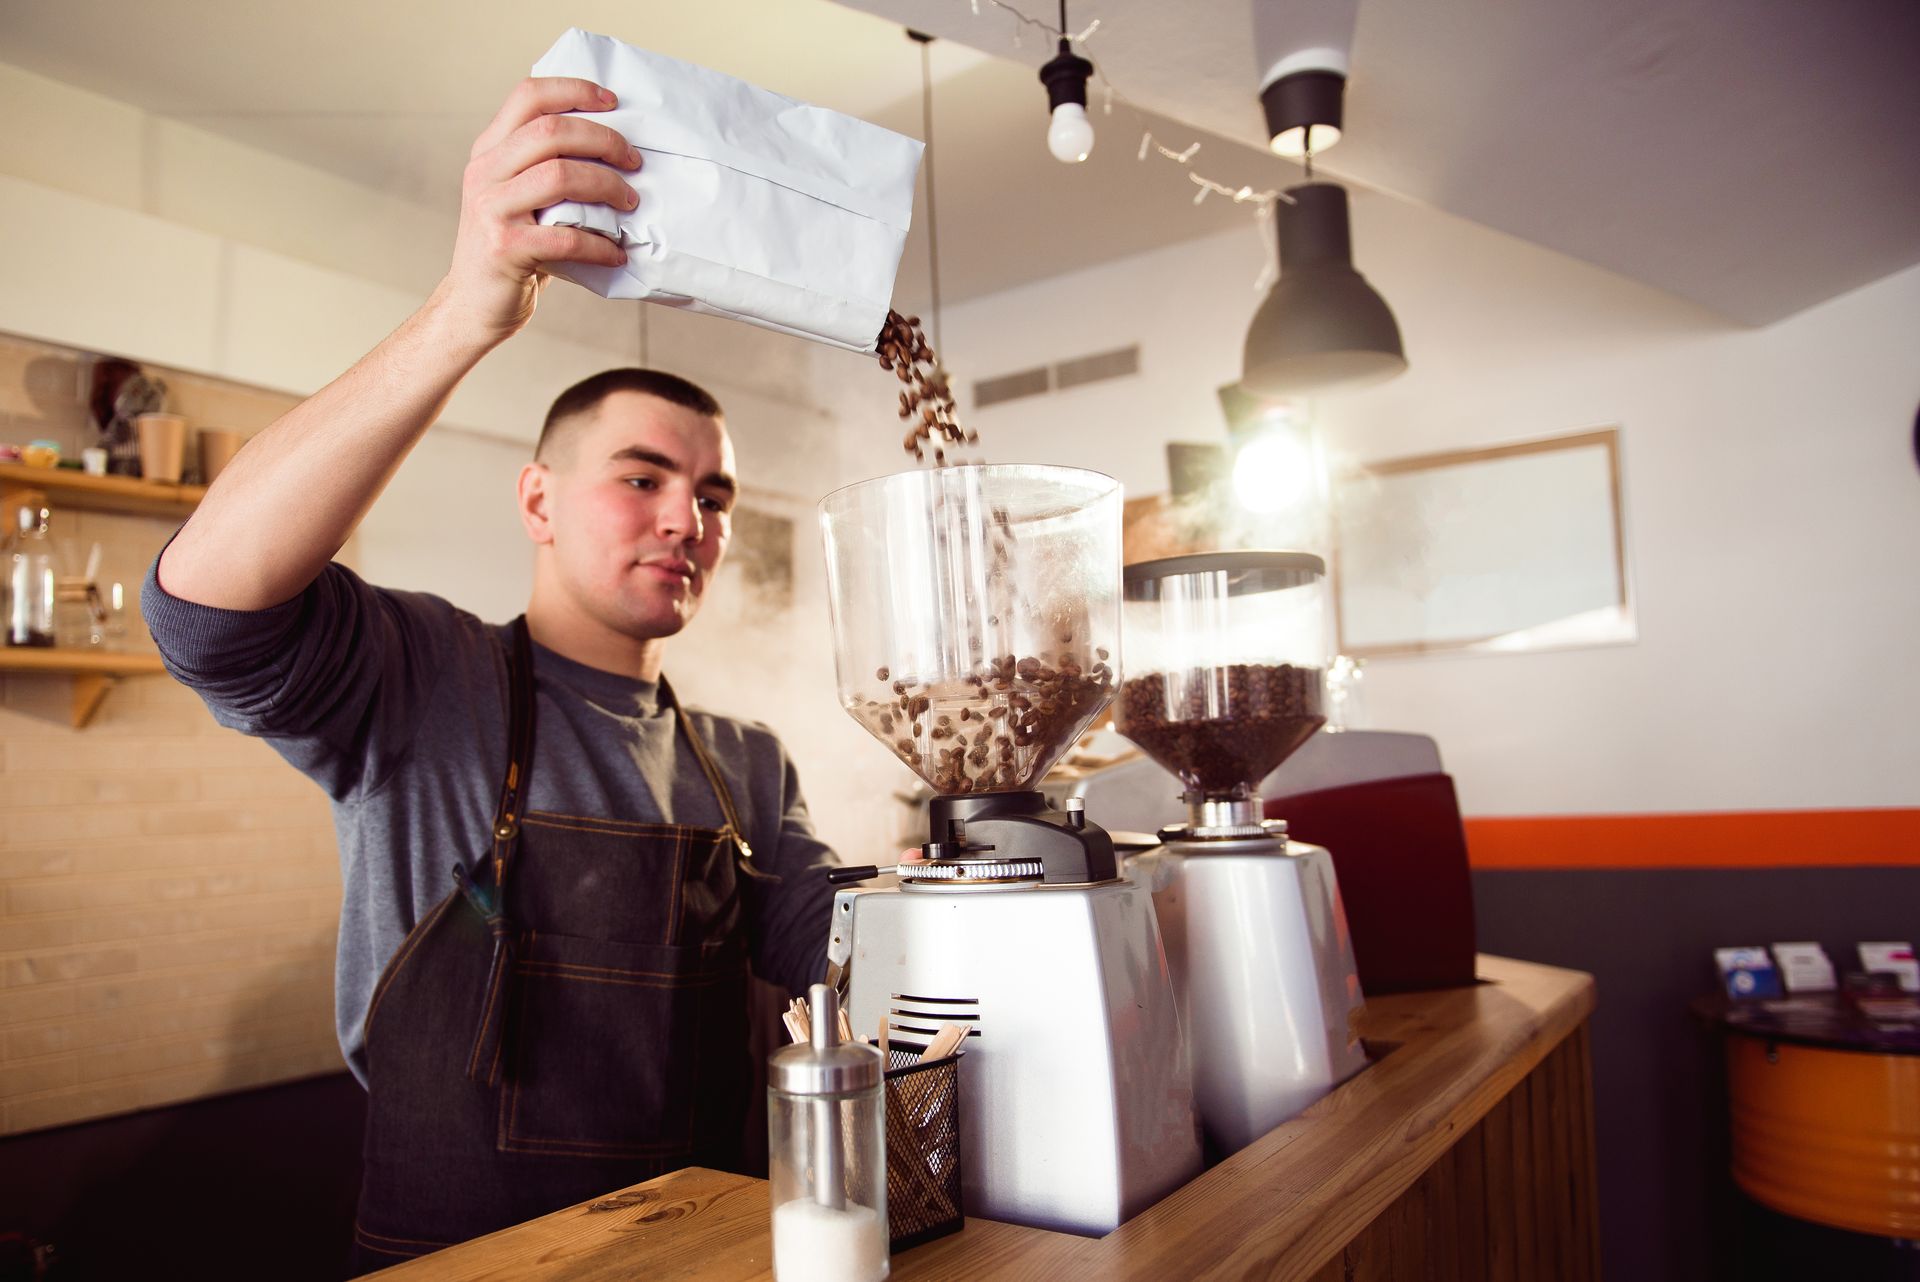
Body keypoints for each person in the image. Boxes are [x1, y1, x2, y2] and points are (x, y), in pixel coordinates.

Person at [141, 75, 838, 1271]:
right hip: (456, 1254)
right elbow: (205, 615)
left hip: (711, 1244)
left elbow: (843, 950)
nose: (689, 518)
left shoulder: (748, 761)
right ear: (538, 500)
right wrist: (468, 307)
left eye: (712, 495)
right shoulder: (422, 679)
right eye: (642, 478)